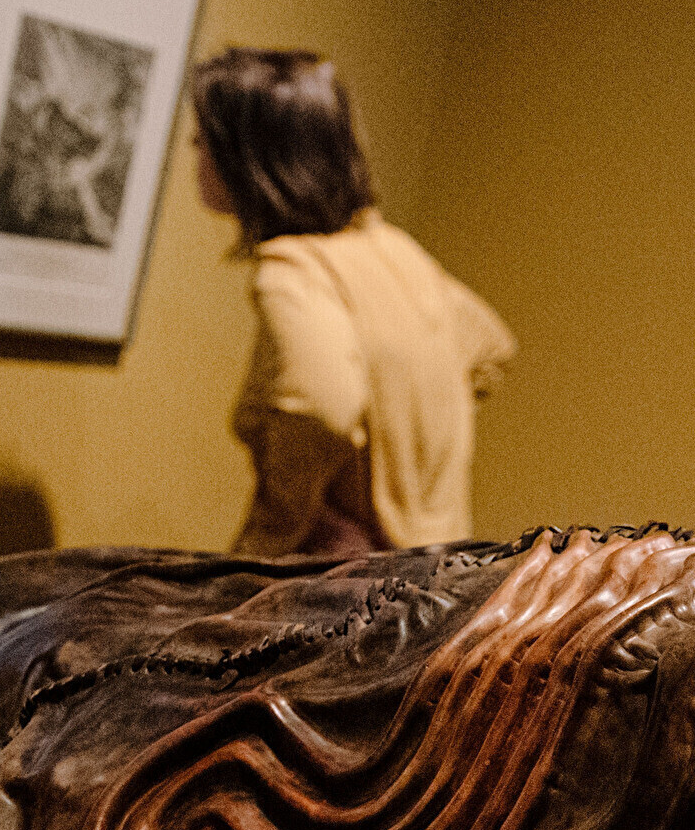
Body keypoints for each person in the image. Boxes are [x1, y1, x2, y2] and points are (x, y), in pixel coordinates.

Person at [187, 47, 515, 565]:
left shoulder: (292, 268)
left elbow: (321, 406)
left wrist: (280, 525)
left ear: (248, 157)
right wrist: (410, 449)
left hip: (342, 571)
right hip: (434, 561)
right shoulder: (395, 249)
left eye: (205, 138)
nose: (194, 148)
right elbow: (490, 345)